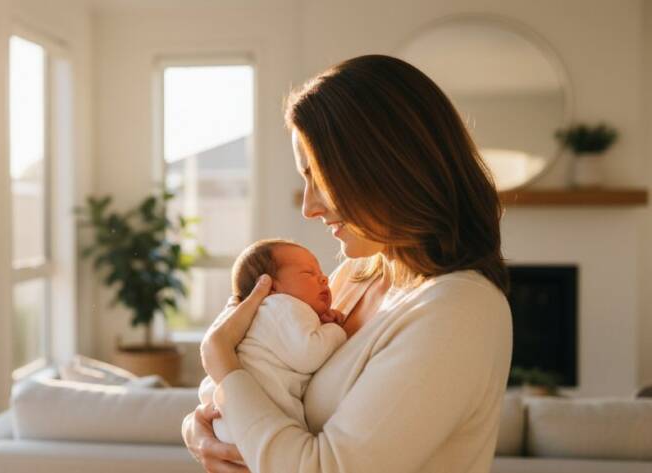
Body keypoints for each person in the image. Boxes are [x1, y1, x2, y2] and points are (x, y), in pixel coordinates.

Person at [181, 54, 513, 473]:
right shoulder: (353, 277)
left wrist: (222, 363)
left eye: (318, 177)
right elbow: (262, 383)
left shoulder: (459, 311)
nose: (308, 207)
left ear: (384, 167)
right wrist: (198, 431)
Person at [198, 239, 347, 444]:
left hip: (226, 417)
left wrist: (320, 323)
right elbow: (308, 354)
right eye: (308, 273)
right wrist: (335, 330)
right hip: (254, 420)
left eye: (320, 272)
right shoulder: (282, 305)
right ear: (271, 287)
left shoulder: (254, 314)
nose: (324, 278)